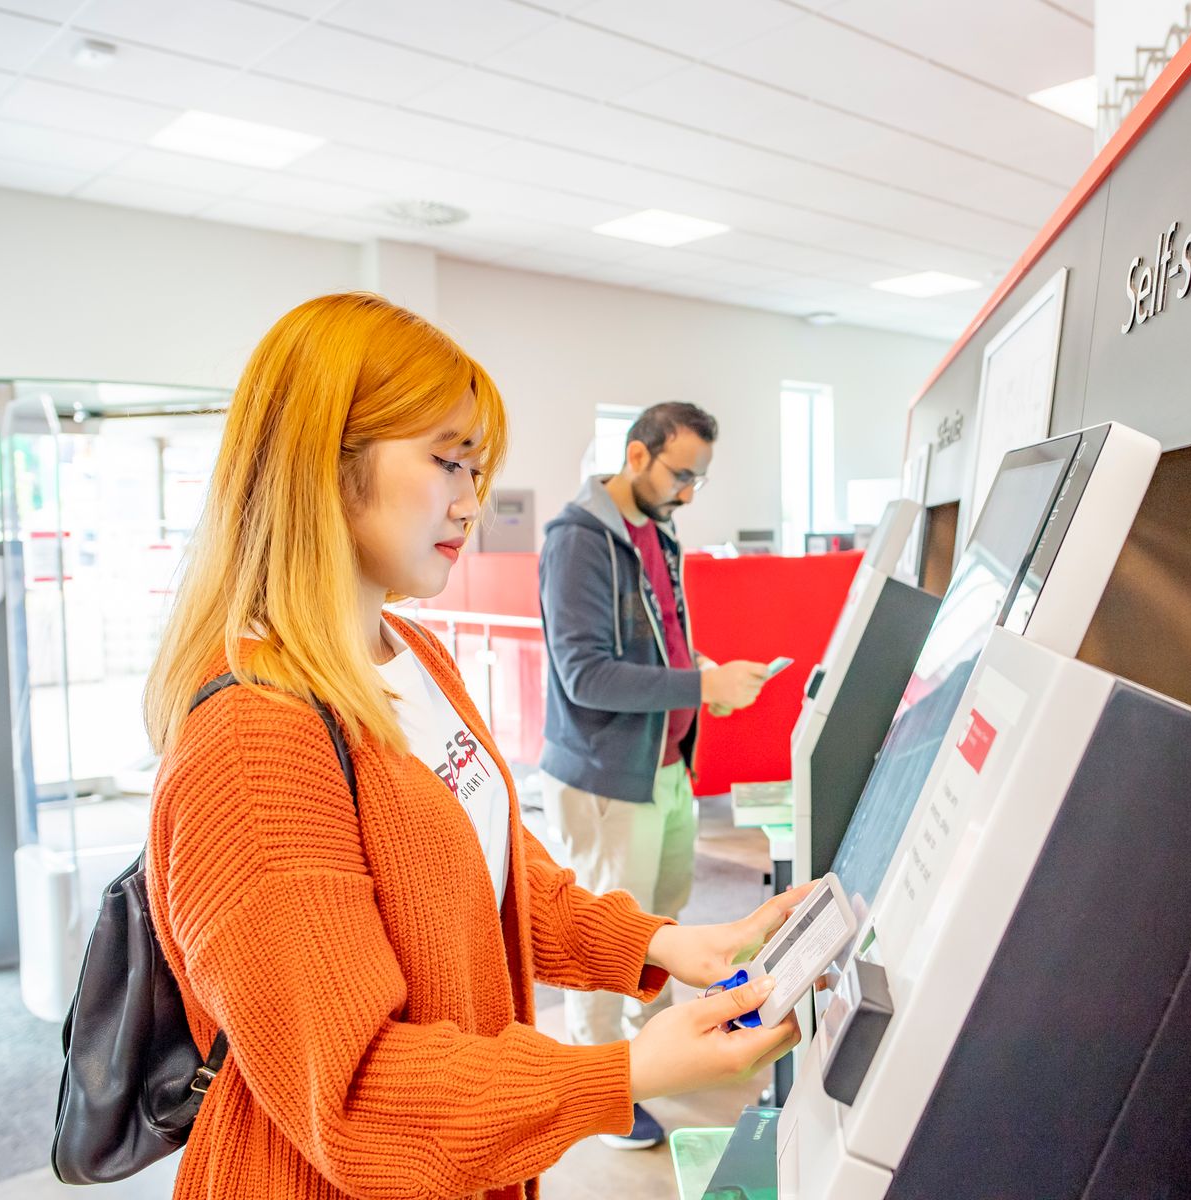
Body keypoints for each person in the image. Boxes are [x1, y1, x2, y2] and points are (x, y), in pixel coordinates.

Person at [141, 294, 803, 1200]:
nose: (472, 500)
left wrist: (662, 943)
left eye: (477, 466)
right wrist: (621, 1074)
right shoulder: (256, 739)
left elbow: (496, 876)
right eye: (449, 461)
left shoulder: (418, 656)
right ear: (324, 465)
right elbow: (354, 1094)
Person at [538, 401, 769, 1149]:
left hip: (666, 768)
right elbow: (586, 676)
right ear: (637, 456)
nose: (690, 495)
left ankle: (651, 1063)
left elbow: (658, 646)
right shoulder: (577, 541)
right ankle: (596, 1091)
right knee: (607, 939)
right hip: (607, 779)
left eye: (700, 479)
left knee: (658, 927)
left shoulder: (657, 531)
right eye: (682, 475)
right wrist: (702, 688)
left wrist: (703, 676)